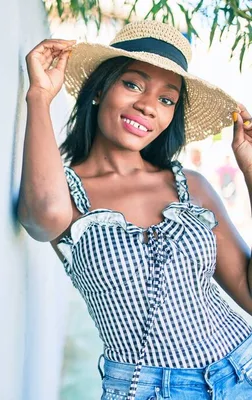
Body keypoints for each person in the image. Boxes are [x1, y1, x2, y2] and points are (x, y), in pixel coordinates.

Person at [17, 20, 252, 399]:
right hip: (146, 390)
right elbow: (41, 216)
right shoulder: (65, 194)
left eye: (166, 99)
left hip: (244, 367)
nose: (147, 106)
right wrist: (39, 98)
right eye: (132, 84)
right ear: (99, 90)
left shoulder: (191, 187)